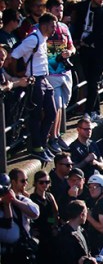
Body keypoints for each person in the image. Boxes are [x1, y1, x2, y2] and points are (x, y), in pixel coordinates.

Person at [11, 13, 58, 160]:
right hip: (34, 81)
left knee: (51, 112)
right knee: (36, 115)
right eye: (52, 26)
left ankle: (42, 144)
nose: (54, 30)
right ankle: (37, 147)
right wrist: (18, 74)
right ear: (44, 25)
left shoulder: (43, 39)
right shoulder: (33, 39)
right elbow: (14, 55)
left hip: (44, 79)